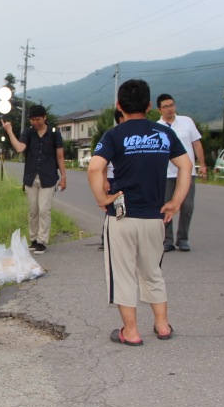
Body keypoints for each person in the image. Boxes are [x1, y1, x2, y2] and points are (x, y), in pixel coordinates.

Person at [88, 79, 192, 346]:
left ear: (119, 106)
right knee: (152, 271)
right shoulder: (163, 133)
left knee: (122, 273)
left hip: (121, 215)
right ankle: (162, 325)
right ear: (149, 105)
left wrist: (103, 198)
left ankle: (131, 331)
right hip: (154, 215)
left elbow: (94, 168)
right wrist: (176, 201)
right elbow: (185, 165)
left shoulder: (114, 135)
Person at [1, 104, 67, 255]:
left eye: (38, 119)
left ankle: (42, 241)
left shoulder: (54, 133)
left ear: (45, 117)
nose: (35, 122)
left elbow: (60, 156)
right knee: (33, 210)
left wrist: (63, 177)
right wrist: (10, 131)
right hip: (31, 177)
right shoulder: (28, 133)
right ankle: (34, 239)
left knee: (44, 209)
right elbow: (19, 148)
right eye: (32, 120)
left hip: (49, 177)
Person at [156, 94, 207, 252]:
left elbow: (196, 144)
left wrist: (202, 165)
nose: (170, 109)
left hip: (186, 172)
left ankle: (183, 238)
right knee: (165, 206)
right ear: (159, 109)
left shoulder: (187, 122)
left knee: (187, 206)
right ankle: (167, 239)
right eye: (165, 106)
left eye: (171, 105)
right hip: (165, 173)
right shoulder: (156, 127)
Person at [98, 109, 124, 251]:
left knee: (122, 211)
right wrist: (104, 180)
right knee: (113, 211)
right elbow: (102, 163)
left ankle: (119, 239)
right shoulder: (113, 135)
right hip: (113, 179)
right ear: (120, 119)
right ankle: (106, 239)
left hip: (125, 179)